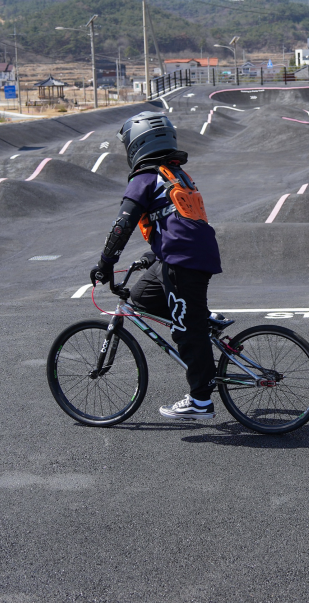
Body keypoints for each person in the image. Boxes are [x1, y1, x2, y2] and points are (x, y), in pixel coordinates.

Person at [90, 112, 223, 419]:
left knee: (187, 331)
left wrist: (106, 263)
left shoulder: (145, 177)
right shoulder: (173, 174)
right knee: (141, 298)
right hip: (183, 254)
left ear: (137, 144)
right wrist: (152, 255)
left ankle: (200, 400)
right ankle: (201, 318)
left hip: (183, 260)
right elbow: (176, 222)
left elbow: (123, 223)